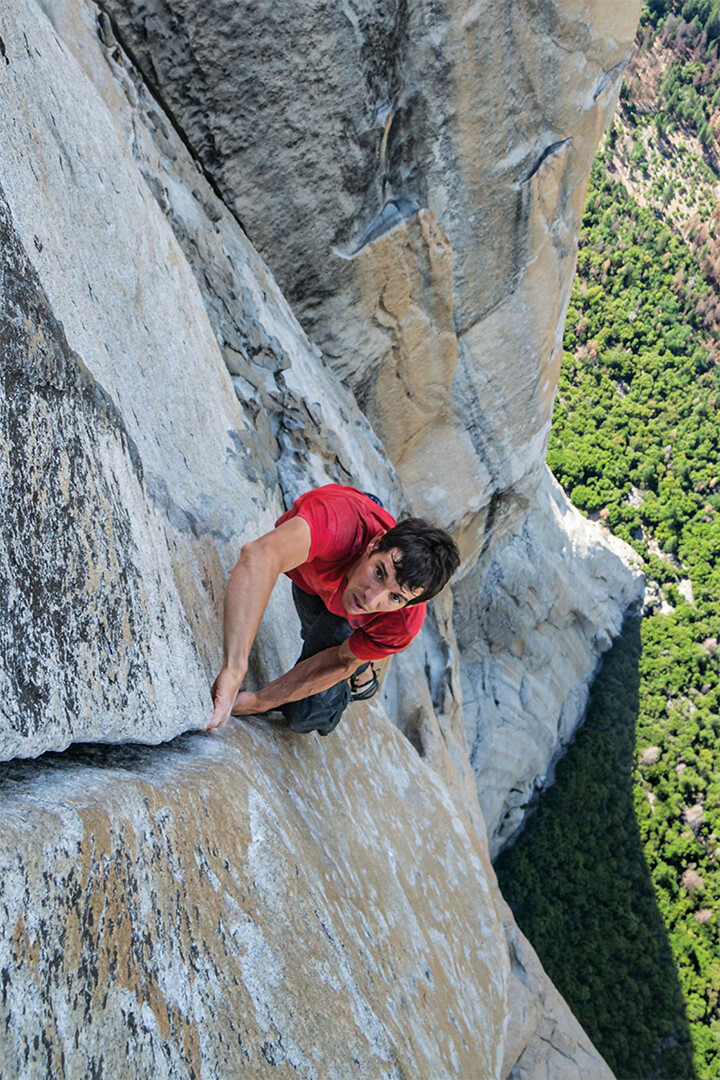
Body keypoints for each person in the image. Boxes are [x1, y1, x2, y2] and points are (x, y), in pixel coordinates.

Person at [206, 484, 460, 736]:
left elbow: (342, 659)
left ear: (410, 604)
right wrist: (234, 669)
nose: (372, 598)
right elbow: (261, 556)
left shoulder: (403, 622)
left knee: (304, 713)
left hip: (350, 616)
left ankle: (361, 672)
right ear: (375, 543)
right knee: (317, 625)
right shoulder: (337, 523)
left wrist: (259, 702)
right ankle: (370, 509)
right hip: (332, 561)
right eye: (379, 573)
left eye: (395, 597)